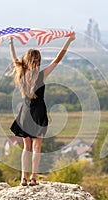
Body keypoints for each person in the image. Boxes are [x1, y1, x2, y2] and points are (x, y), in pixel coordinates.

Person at [8, 33, 75, 186]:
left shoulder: (21, 74)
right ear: (37, 60)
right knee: (37, 147)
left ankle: (23, 179)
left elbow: (14, 58)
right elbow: (58, 59)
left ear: (26, 59)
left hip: (25, 112)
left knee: (27, 147)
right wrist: (68, 41)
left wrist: (11, 42)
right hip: (38, 113)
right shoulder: (41, 75)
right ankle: (33, 178)